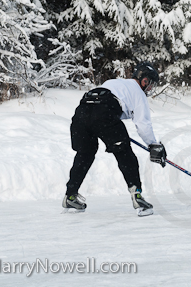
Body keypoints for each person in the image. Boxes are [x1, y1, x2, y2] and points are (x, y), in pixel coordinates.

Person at [62, 61, 167, 217]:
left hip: (81, 112)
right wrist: (154, 145)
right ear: (141, 79)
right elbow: (143, 125)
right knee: (125, 154)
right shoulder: (138, 93)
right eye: (148, 82)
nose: (150, 87)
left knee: (85, 154)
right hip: (104, 112)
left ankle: (70, 195)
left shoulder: (114, 83)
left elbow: (116, 107)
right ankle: (137, 197)